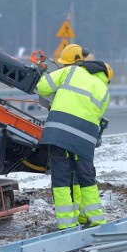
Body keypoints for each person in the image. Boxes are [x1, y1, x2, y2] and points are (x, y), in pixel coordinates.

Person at [36, 43, 112, 230]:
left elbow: (42, 87)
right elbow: (97, 116)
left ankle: (66, 224)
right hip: (84, 138)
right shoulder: (104, 91)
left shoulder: (71, 72)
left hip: (59, 132)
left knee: (61, 178)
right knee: (86, 178)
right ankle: (97, 219)